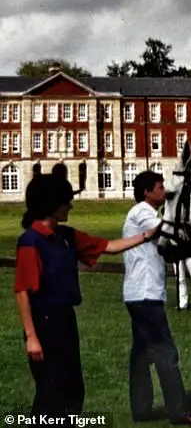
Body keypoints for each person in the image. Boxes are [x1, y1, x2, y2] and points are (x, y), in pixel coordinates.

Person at [14, 174, 160, 422]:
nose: (71, 206)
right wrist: (31, 337)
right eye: (66, 201)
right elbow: (23, 291)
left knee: (73, 392)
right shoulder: (31, 241)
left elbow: (110, 247)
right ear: (52, 205)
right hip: (43, 323)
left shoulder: (66, 236)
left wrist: (147, 235)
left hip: (65, 321)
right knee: (51, 395)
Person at [122, 170, 191, 425]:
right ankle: (179, 411)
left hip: (140, 293)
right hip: (145, 294)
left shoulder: (145, 213)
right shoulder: (143, 212)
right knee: (166, 351)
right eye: (160, 188)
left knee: (142, 354)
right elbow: (166, 232)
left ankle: (140, 410)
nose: (164, 192)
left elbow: (168, 249)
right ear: (146, 192)